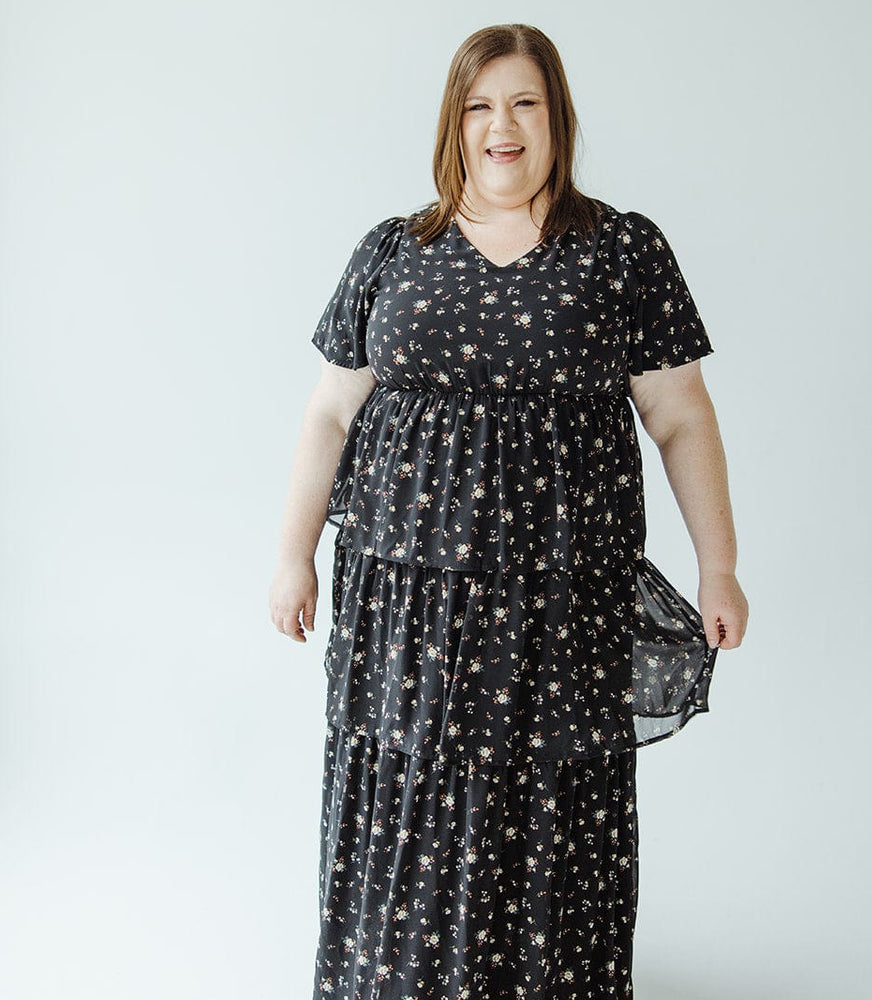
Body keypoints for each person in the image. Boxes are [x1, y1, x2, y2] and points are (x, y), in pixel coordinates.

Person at [269, 21, 748, 1000]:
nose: (502, 125)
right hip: (401, 602)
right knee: (405, 793)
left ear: (555, 119)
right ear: (454, 122)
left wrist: (719, 565)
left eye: (524, 101)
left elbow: (680, 417)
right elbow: (327, 413)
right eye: (481, 104)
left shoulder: (621, 249)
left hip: (556, 602)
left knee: (548, 804)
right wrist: (293, 555)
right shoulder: (392, 251)